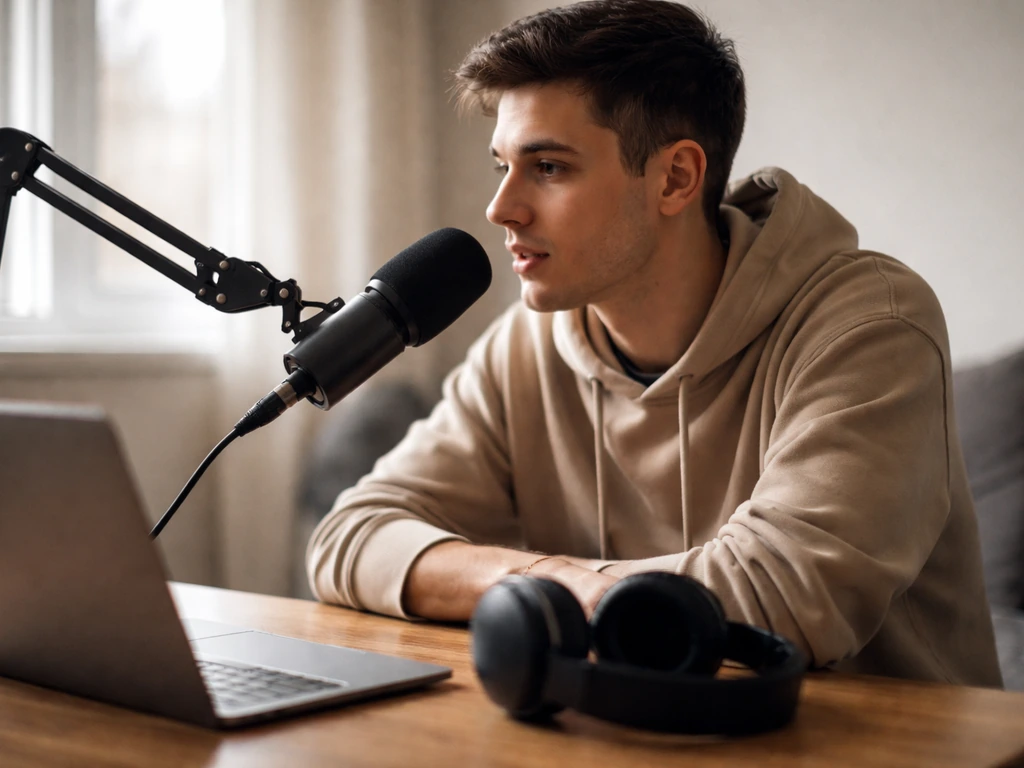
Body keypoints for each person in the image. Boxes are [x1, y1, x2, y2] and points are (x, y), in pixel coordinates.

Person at [307, 0, 1002, 686]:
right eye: (503, 166)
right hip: (634, 737)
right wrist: (538, 576)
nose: (501, 208)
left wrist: (545, 593)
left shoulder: (870, 325)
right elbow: (349, 539)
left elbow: (781, 600)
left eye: (548, 167)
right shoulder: (525, 346)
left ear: (675, 178)